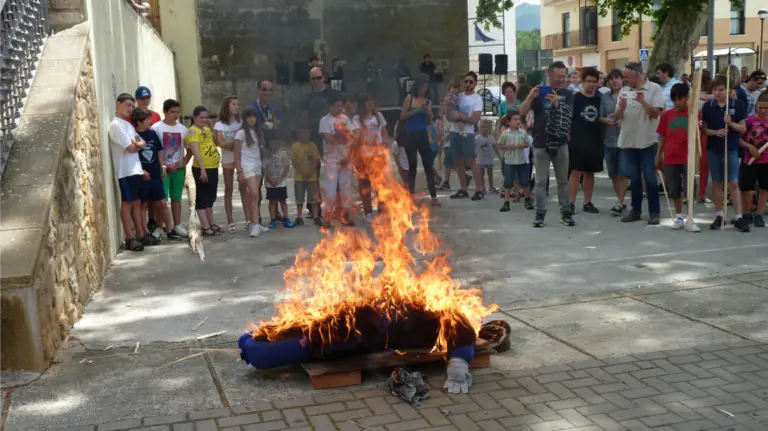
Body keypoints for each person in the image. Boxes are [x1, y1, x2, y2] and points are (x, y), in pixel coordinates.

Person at [519, 61, 575, 228]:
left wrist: (558, 103)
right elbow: (521, 112)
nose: (561, 80)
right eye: (558, 77)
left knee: (563, 180)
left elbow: (569, 114)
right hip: (541, 142)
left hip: (561, 142)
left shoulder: (568, 94)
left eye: (563, 76)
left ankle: (566, 213)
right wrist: (531, 96)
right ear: (549, 76)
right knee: (540, 181)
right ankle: (539, 214)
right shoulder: (539, 93)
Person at [613, 62, 665, 225]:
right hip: (629, 140)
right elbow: (616, 117)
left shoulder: (654, 89)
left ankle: (654, 212)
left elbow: (656, 114)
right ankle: (635, 210)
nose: (625, 80)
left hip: (647, 141)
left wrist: (643, 102)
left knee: (650, 178)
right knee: (634, 178)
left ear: (637, 74)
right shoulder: (624, 91)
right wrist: (621, 108)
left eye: (627, 76)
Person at [702, 74, 749, 232]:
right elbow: (704, 130)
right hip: (714, 148)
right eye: (715, 89)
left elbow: (743, 129)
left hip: (731, 147)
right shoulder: (708, 106)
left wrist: (731, 123)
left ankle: (739, 217)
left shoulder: (738, 104)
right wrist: (716, 132)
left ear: (729, 90)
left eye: (721, 90)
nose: (717, 93)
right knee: (716, 182)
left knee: (733, 183)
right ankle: (719, 215)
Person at [109, 93, 156, 251]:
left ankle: (141, 234)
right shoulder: (115, 125)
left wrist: (137, 144)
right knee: (127, 203)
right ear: (118, 103)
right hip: (125, 171)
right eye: (127, 105)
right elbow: (130, 148)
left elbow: (141, 141)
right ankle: (129, 237)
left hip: (136, 169)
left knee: (137, 202)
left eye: (132, 106)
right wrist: (137, 144)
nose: (130, 108)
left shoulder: (128, 125)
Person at [655, 83, 701, 232]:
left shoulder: (694, 113)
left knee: (689, 188)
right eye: (674, 99)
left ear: (687, 98)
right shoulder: (666, 115)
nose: (677, 102)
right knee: (674, 188)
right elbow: (662, 137)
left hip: (688, 157)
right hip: (670, 157)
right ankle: (679, 216)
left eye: (680, 99)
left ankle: (690, 217)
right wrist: (658, 155)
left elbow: (700, 132)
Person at [132, 108, 178, 240]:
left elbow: (158, 151)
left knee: (162, 203)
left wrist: (163, 166)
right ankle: (145, 232)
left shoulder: (152, 134)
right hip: (142, 176)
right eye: (147, 120)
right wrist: (140, 170)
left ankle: (169, 229)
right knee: (143, 204)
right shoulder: (134, 135)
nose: (150, 122)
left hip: (155, 174)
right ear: (139, 122)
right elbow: (132, 156)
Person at [568, 67, 604, 215]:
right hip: (577, 141)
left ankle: (587, 202)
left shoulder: (600, 98)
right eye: (588, 81)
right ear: (582, 82)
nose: (591, 84)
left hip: (595, 141)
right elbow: (569, 119)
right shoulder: (575, 98)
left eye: (594, 82)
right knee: (576, 173)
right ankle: (570, 203)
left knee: (590, 173)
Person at [151, 99, 189, 238]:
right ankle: (160, 227)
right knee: (161, 199)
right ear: (165, 112)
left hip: (179, 169)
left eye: (178, 112)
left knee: (176, 197)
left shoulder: (183, 129)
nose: (176, 115)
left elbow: (190, 148)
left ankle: (177, 225)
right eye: (172, 112)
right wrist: (164, 166)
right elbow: (154, 150)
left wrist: (184, 161)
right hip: (163, 170)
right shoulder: (156, 128)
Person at [319, 92, 358, 227]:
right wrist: (342, 135)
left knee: (346, 188)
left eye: (341, 105)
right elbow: (328, 139)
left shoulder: (346, 119)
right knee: (330, 189)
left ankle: (346, 216)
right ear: (330, 106)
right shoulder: (324, 120)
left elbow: (351, 138)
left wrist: (343, 139)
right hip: (331, 158)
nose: (339, 108)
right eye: (336, 105)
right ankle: (327, 217)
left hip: (346, 157)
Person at [400, 76, 439, 205]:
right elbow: (403, 116)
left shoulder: (427, 101)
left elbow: (428, 122)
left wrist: (429, 113)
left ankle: (434, 196)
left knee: (428, 165)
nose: (424, 89)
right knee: (412, 166)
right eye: (422, 86)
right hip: (410, 134)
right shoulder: (409, 98)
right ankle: (411, 196)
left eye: (426, 87)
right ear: (417, 87)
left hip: (422, 133)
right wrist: (417, 110)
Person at [186, 105, 222, 236]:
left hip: (213, 167)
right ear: (194, 117)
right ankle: (205, 226)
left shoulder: (206, 129)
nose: (204, 120)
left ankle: (211, 223)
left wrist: (211, 127)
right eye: (201, 117)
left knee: (211, 197)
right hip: (203, 168)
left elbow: (216, 142)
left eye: (206, 117)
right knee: (202, 197)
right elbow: (196, 152)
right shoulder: (193, 131)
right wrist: (202, 169)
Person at [448, 71, 484, 201]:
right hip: (454, 131)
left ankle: (479, 189)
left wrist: (462, 117)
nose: (468, 84)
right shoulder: (459, 96)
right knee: (458, 161)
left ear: (475, 84)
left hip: (467, 133)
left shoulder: (477, 99)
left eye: (471, 82)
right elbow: (449, 108)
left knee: (471, 161)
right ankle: (463, 189)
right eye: (466, 81)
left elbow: (476, 119)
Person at [213, 96, 247, 234]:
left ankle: (248, 219)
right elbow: (219, 143)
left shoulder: (241, 123)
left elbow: (244, 140)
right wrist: (234, 142)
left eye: (238, 104)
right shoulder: (219, 125)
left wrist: (230, 143)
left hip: (241, 159)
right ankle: (230, 220)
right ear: (227, 106)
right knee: (228, 189)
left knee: (244, 189)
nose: (236, 107)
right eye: (234, 104)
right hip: (227, 159)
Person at [353, 93, 389, 221]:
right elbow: (356, 135)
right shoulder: (357, 119)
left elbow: (384, 131)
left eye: (371, 100)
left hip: (378, 155)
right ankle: (368, 212)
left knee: (380, 184)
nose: (370, 103)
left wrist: (384, 140)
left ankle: (381, 209)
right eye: (367, 101)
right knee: (365, 185)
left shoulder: (378, 116)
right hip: (364, 156)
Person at [252, 79, 284, 221]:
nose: (267, 93)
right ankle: (256, 215)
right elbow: (248, 131)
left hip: (272, 152)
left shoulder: (275, 109)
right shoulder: (252, 109)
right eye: (264, 90)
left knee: (274, 183)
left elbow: (281, 128)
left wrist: (276, 125)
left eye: (270, 90)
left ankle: (275, 213)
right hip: (257, 152)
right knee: (256, 186)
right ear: (258, 90)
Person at [134, 86, 162, 231]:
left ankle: (153, 220)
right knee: (142, 198)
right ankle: (143, 226)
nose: (145, 101)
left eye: (147, 98)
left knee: (155, 197)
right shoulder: (133, 116)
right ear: (137, 100)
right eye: (141, 98)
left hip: (153, 159)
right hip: (140, 162)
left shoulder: (155, 115)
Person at [601, 69, 628, 216]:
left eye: (616, 78)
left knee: (623, 172)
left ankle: (620, 202)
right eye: (611, 78)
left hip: (625, 140)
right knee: (614, 173)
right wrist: (606, 120)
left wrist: (623, 120)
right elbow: (599, 116)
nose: (614, 81)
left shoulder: (629, 95)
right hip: (609, 139)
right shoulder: (604, 97)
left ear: (622, 79)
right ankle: (620, 200)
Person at [740, 92, 768, 227]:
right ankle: (747, 213)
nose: (762, 110)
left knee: (764, 188)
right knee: (746, 188)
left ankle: (759, 213)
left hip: (766, 161)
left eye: (766, 108)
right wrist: (750, 147)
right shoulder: (749, 121)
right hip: (749, 160)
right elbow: (739, 140)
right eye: (760, 107)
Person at [497, 111, 533, 211]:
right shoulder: (505, 133)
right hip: (509, 162)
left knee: (525, 182)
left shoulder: (523, 132)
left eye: (519, 119)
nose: (518, 121)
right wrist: (508, 146)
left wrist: (523, 145)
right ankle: (506, 202)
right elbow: (499, 144)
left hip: (521, 162)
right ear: (509, 122)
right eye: (515, 119)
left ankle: (527, 200)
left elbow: (527, 143)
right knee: (508, 183)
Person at [291, 125, 322, 226]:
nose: (304, 135)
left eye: (306, 133)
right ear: (298, 135)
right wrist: (302, 172)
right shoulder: (295, 146)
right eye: (301, 133)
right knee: (299, 198)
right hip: (299, 177)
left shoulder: (313, 146)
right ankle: (299, 217)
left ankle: (316, 216)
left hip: (312, 177)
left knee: (314, 198)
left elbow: (316, 160)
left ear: (309, 134)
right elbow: (294, 161)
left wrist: (310, 172)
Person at [262, 138, 294, 229]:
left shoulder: (283, 154)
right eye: (272, 143)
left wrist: (280, 179)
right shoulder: (266, 155)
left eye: (276, 143)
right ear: (269, 145)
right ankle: (273, 220)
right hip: (270, 183)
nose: (274, 145)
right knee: (272, 201)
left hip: (281, 183)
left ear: (279, 144)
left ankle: (286, 218)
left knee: (283, 201)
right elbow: (265, 169)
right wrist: (271, 180)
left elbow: (286, 168)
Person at [438, 80, 461, 190]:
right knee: (449, 158)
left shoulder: (458, 99)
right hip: (447, 131)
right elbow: (441, 115)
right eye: (453, 87)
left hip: (454, 131)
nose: (455, 90)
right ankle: (447, 181)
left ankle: (447, 181)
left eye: (457, 88)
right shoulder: (446, 100)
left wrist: (451, 102)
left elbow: (454, 104)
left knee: (449, 158)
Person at [475, 120, 496, 193]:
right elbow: (474, 148)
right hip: (480, 159)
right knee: (481, 173)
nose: (484, 129)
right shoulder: (477, 138)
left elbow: (495, 147)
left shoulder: (491, 138)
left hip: (489, 158)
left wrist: (499, 156)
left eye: (486, 127)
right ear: (479, 128)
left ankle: (491, 186)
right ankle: (482, 187)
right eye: (482, 127)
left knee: (490, 173)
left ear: (489, 128)